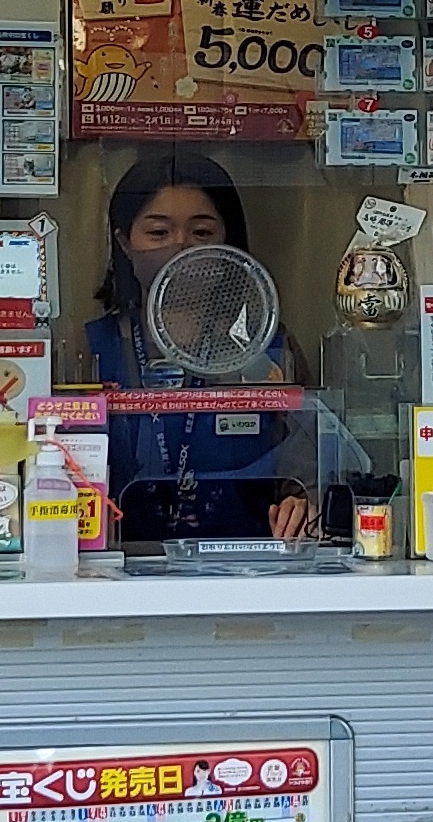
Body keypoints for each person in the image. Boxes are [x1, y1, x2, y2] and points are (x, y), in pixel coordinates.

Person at [81, 147, 316, 544]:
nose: (181, 246)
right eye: (159, 233)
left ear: (228, 242)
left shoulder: (266, 346)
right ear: (124, 243)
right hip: (119, 561)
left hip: (247, 561)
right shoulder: (92, 348)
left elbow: (310, 460)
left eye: (202, 232)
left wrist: (305, 499)